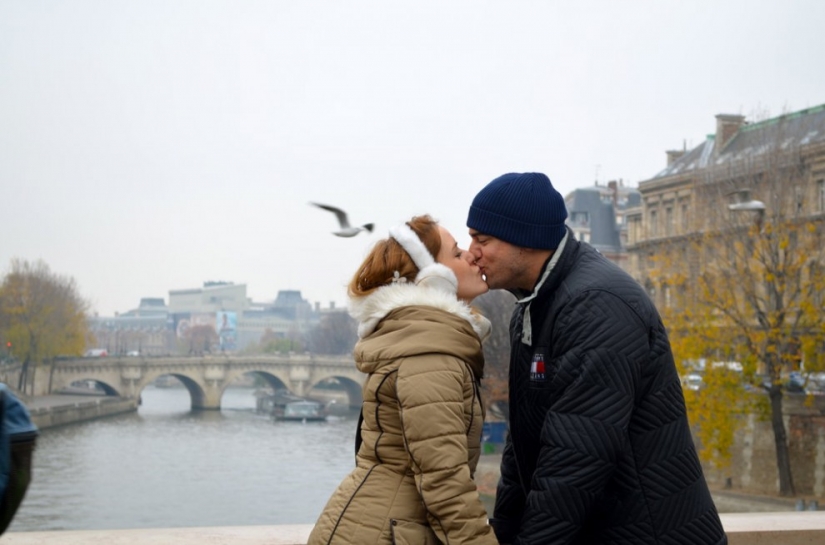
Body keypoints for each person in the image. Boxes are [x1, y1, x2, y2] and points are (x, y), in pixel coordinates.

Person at [466, 172, 727, 545]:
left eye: (482, 239)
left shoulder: (595, 305)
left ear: (524, 239)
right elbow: (523, 444)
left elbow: (575, 460)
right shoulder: (536, 303)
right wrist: (506, 533)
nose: (471, 251)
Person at [308, 215, 498, 545]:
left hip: (383, 523)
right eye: (456, 253)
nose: (470, 255)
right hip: (386, 531)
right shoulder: (430, 355)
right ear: (433, 280)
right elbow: (446, 484)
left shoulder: (426, 341)